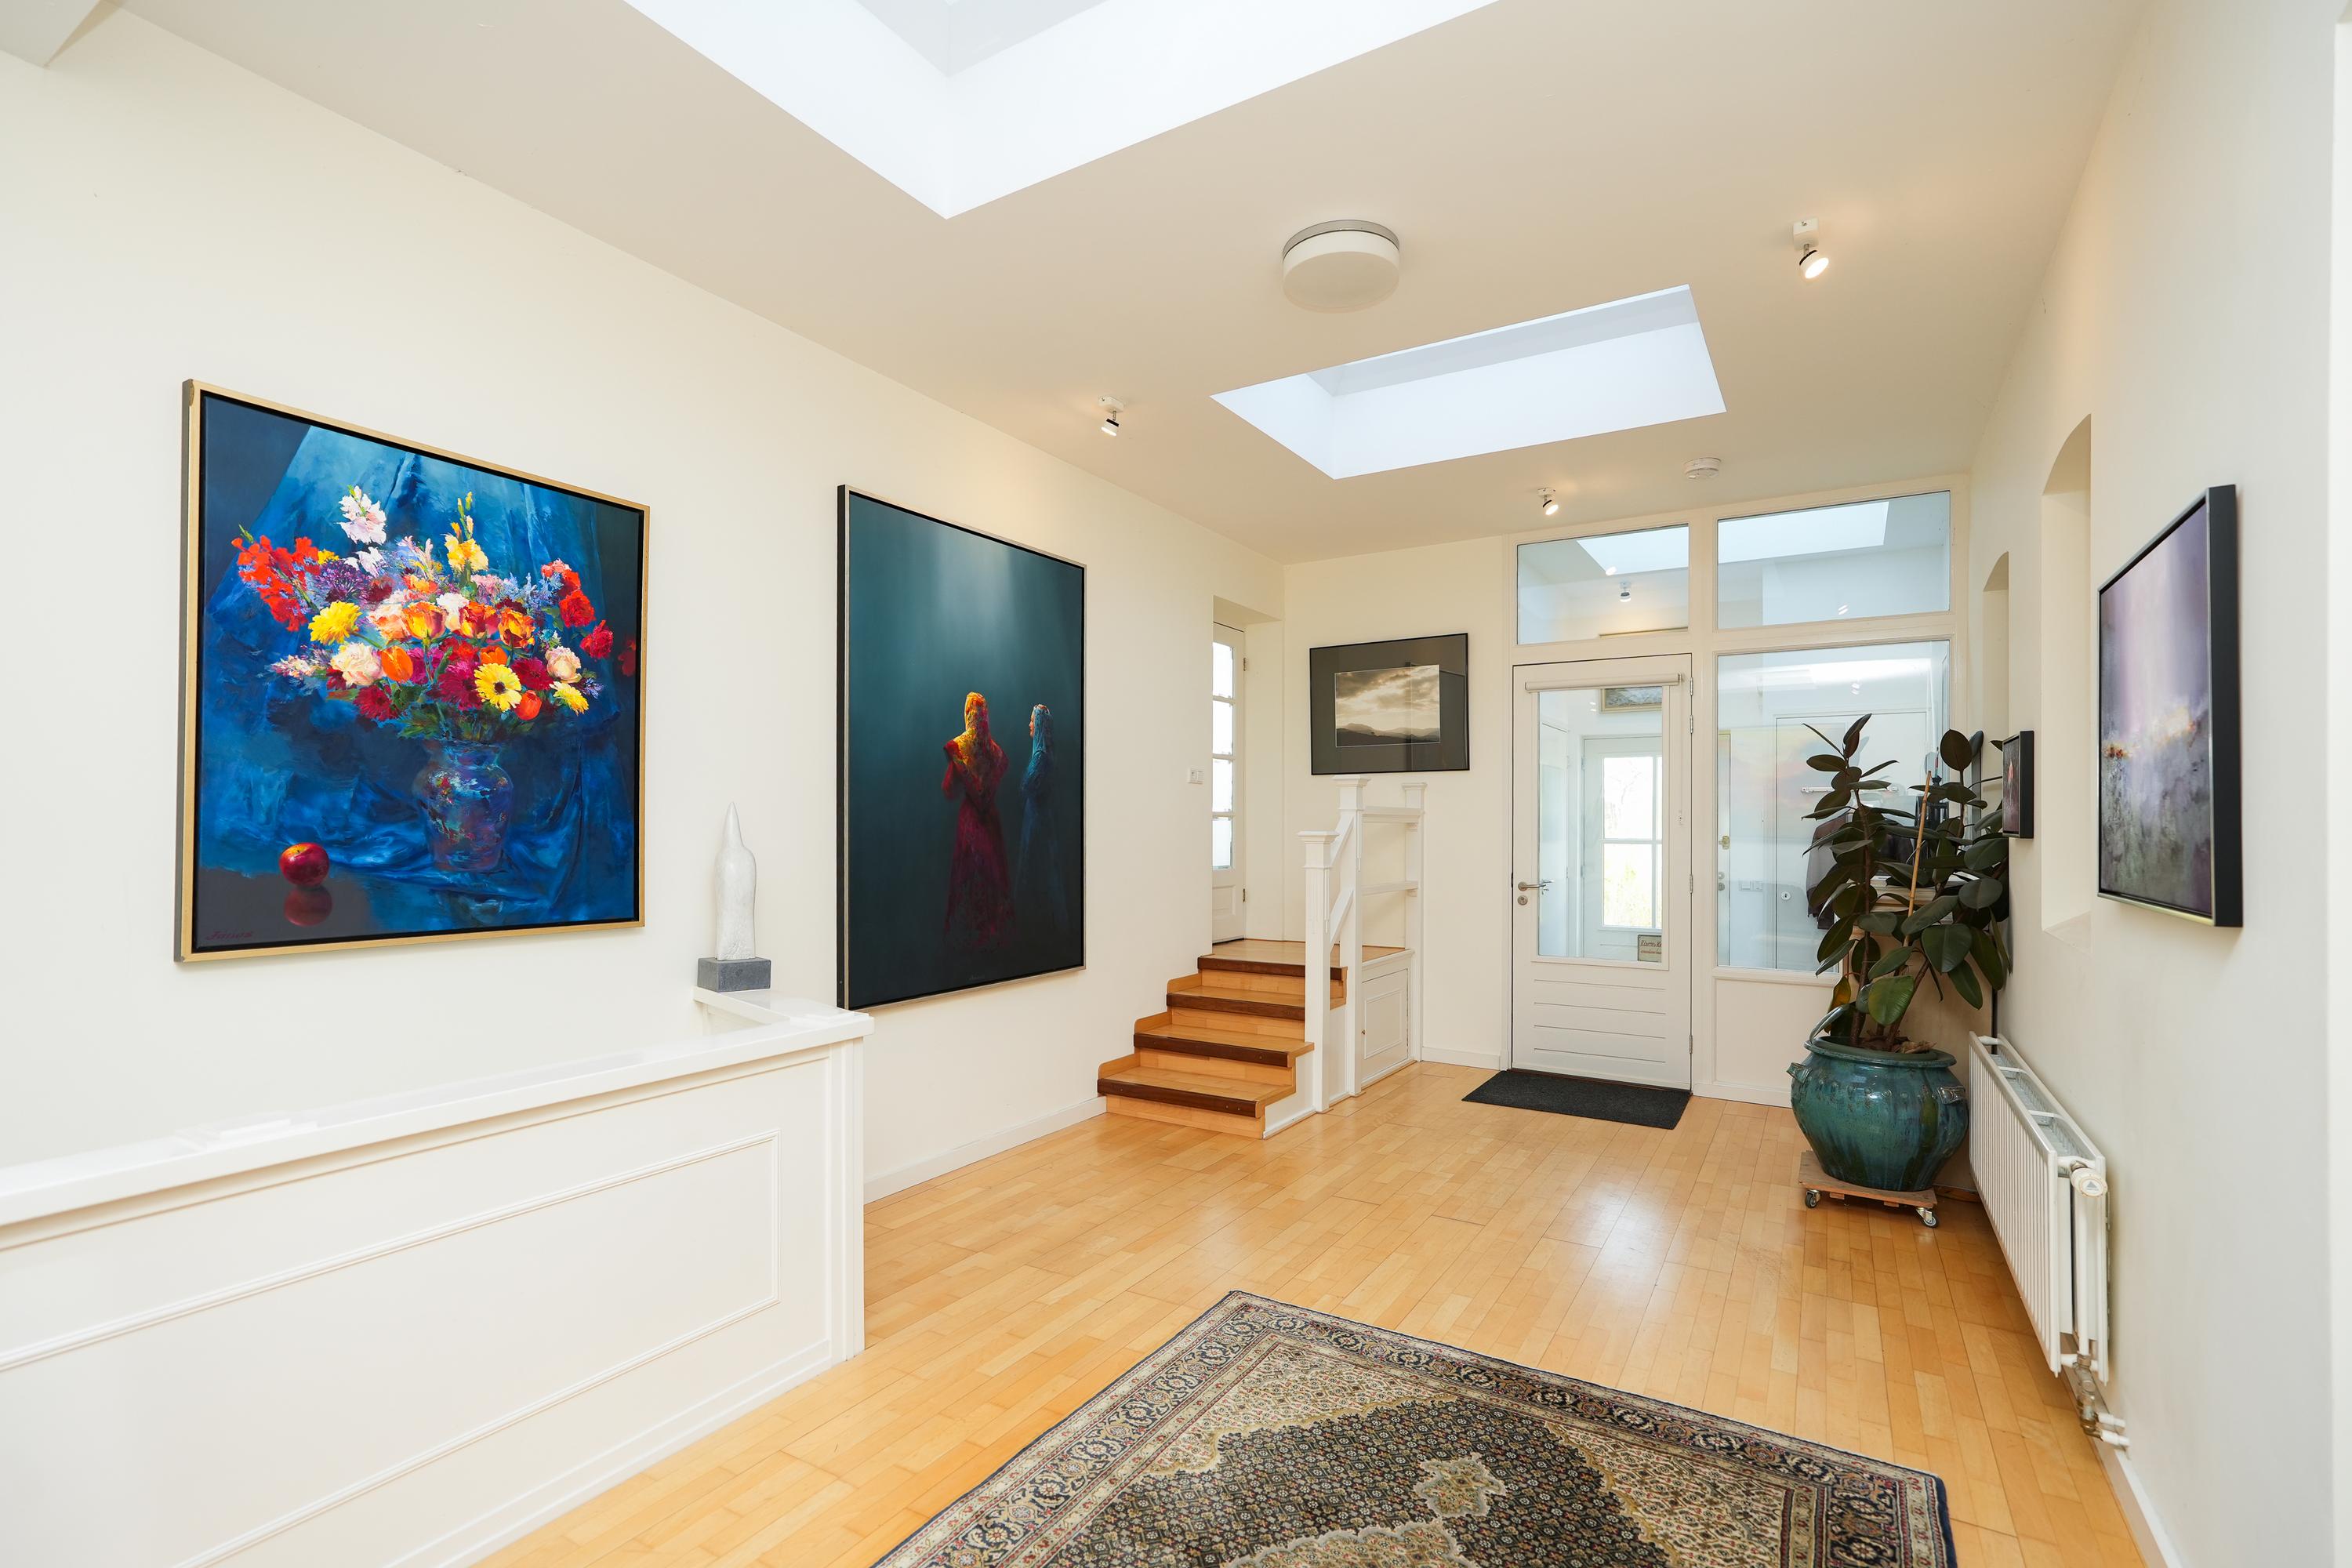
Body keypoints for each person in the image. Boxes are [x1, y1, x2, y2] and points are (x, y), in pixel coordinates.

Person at [941, 691, 1012, 946]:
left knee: (969, 871)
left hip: (971, 820)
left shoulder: (961, 748)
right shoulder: (996, 752)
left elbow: (949, 790)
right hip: (991, 819)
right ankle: (994, 932)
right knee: (992, 871)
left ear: (968, 715)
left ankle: (970, 935)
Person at [1015, 703, 1066, 934]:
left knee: (1035, 864)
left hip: (1036, 818)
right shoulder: (1049, 753)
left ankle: (1034, 925)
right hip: (1042, 815)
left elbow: (1026, 786)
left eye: (1031, 721)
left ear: (1038, 725)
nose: (1029, 725)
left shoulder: (1040, 756)